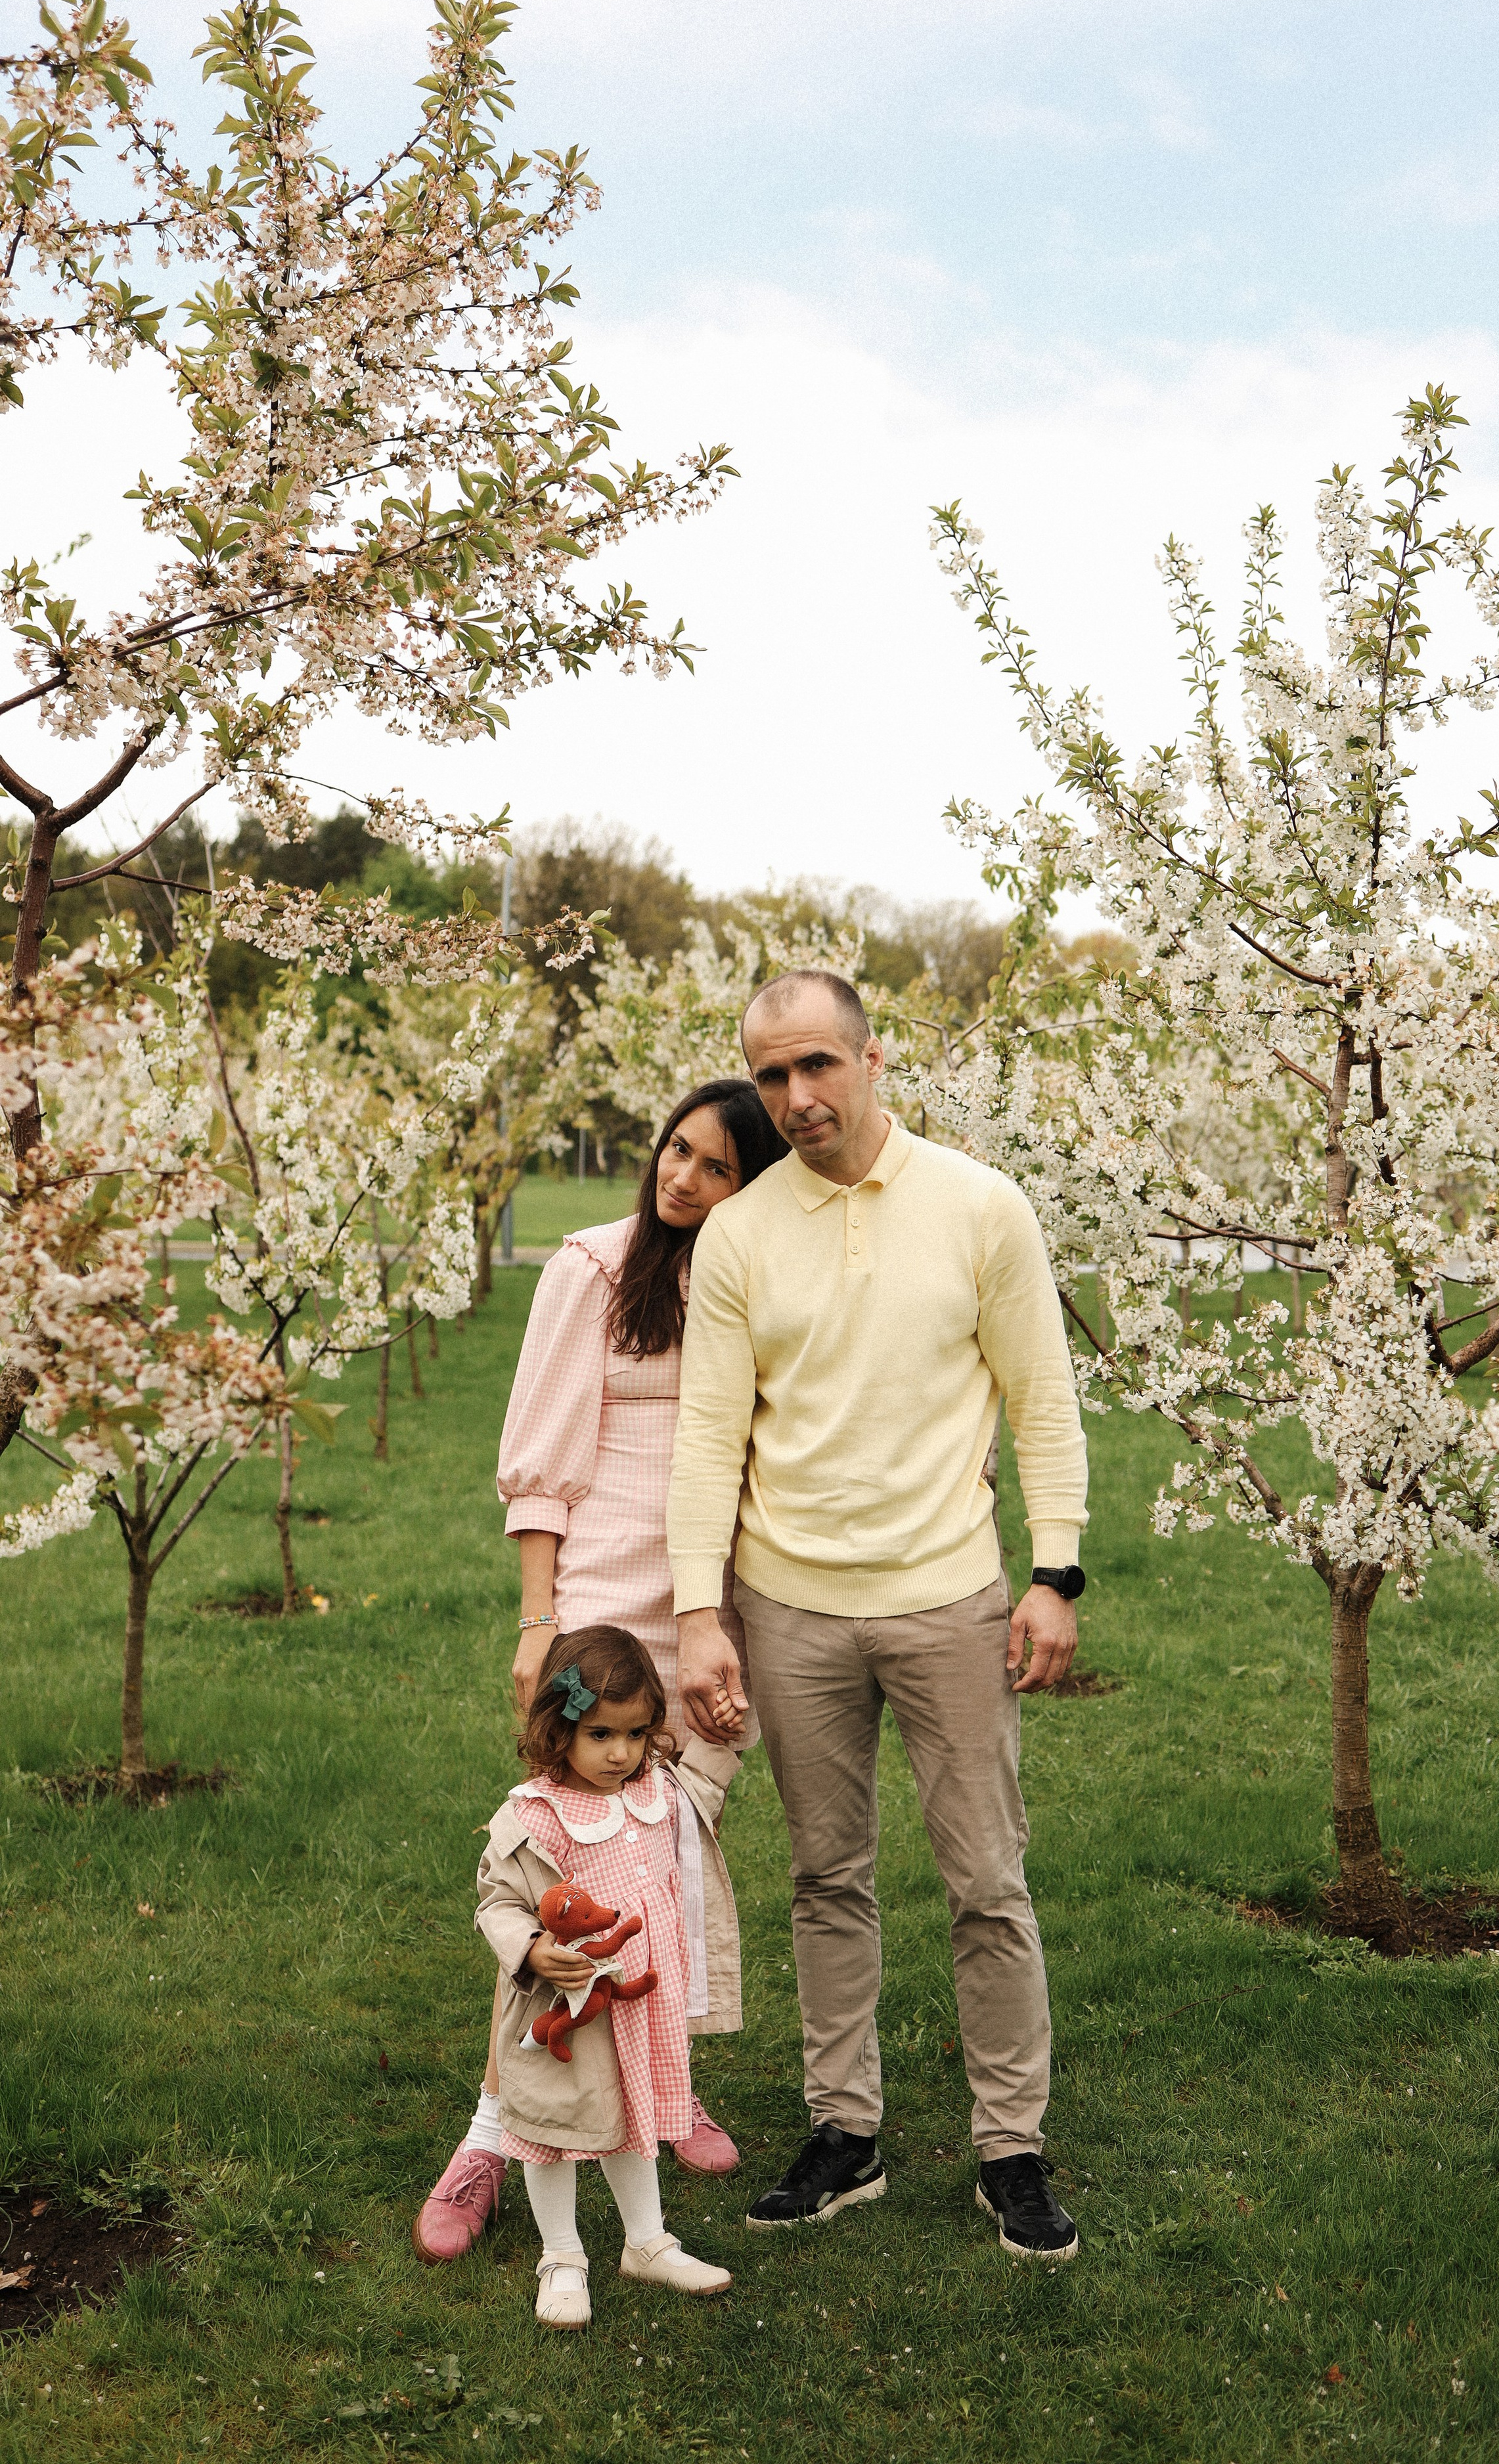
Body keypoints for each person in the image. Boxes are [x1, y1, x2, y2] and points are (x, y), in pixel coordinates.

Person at [668, 972, 1090, 2262]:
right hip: (787, 1607)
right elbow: (707, 1434)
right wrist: (700, 1614)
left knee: (986, 1883)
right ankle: (842, 2133)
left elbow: (1041, 1396)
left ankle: (1008, 2149)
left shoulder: (978, 1207)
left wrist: (1053, 1571)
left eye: (815, 1068)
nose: (794, 1099)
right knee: (823, 1878)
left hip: (949, 1600)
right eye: (769, 1077)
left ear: (869, 1059)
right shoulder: (741, 1236)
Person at [412, 1079, 788, 2265]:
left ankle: (651, 2094)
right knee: (568, 1896)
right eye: (677, 1150)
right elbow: (542, 1459)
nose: (681, 1177)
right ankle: (492, 2132)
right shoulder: (591, 1267)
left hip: (720, 1624)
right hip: (607, 1623)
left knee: (664, 1885)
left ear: (753, 1185)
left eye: (715, 1166)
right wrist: (539, 1625)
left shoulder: (759, 1280)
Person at [475, 1623, 733, 2329]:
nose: (620, 1754)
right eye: (600, 1736)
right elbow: (498, 1901)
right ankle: (561, 2256)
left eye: (636, 1733)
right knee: (552, 2125)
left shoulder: (653, 1791)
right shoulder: (537, 1813)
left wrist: (729, 1722)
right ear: (558, 1731)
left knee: (633, 2116)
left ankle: (646, 2242)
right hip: (566, 2009)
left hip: (639, 1999)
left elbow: (709, 1781)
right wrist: (530, 1949)